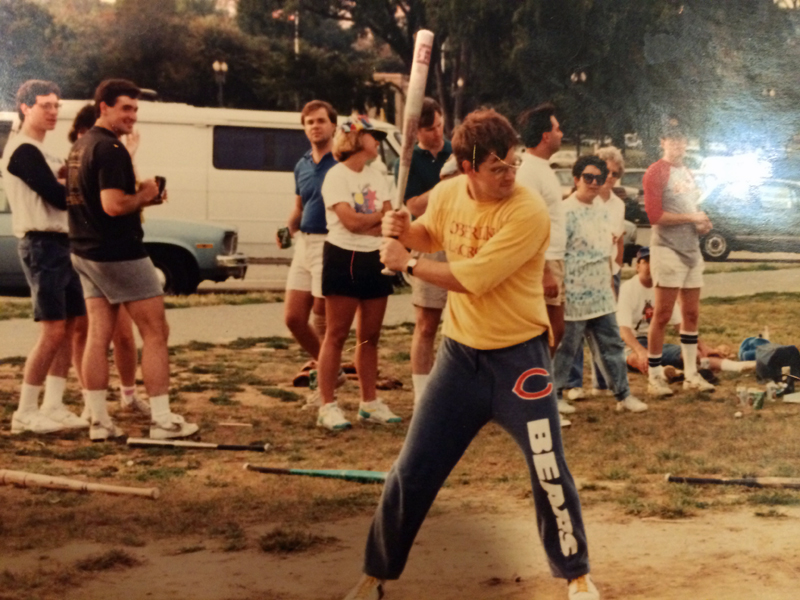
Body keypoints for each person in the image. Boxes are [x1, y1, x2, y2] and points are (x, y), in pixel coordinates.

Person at [343, 109, 599, 600]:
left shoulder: (527, 211)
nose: (510, 175)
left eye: (514, 163)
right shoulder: (446, 194)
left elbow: (475, 278)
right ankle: (376, 573)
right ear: (468, 169)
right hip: (459, 361)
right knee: (412, 470)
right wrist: (400, 228)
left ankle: (576, 574)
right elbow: (430, 234)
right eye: (497, 168)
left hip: (520, 361)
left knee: (548, 469)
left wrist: (408, 262)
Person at [66, 78, 198, 440]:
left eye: (136, 109)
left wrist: (141, 198)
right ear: (103, 106)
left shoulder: (80, 146)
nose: (132, 116)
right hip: (119, 253)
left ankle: (99, 421)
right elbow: (113, 205)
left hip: (84, 251)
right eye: (126, 108)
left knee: (98, 335)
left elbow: (97, 200)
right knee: (156, 332)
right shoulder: (110, 148)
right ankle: (162, 420)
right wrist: (146, 194)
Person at [0, 80, 88, 434]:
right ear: (24, 107)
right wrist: (82, 184)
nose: (54, 112)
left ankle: (52, 403)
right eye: (45, 105)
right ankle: (25, 410)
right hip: (42, 244)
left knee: (71, 327)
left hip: (64, 244)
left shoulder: (46, 152)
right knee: (52, 330)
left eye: (57, 105)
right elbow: (56, 196)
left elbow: (64, 186)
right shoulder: (22, 150)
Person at [315, 115, 401, 431]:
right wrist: (378, 217)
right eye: (372, 135)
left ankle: (369, 402)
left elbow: (390, 221)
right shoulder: (335, 176)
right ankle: (327, 405)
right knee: (337, 334)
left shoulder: (378, 175)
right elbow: (350, 222)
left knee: (370, 336)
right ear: (355, 139)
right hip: (343, 256)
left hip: (374, 256)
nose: (377, 141)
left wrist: (377, 221)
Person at [69, 103, 150, 418]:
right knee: (89, 332)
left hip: (92, 252)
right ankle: (93, 404)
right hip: (102, 253)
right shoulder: (96, 152)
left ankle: (120, 400)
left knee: (119, 335)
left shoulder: (106, 154)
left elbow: (119, 200)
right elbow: (112, 206)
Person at [553, 156, 647, 415]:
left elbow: (608, 251)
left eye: (598, 178)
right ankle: (555, 395)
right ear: (576, 179)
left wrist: (610, 285)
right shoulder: (564, 211)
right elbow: (556, 255)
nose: (593, 183)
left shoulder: (604, 210)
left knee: (612, 344)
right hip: (573, 293)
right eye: (588, 178)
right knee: (567, 348)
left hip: (601, 292)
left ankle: (623, 395)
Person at [643, 123, 715, 396]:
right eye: (672, 139)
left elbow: (690, 209)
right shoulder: (655, 171)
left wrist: (701, 223)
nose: (677, 144)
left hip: (691, 249)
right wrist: (691, 218)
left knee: (691, 313)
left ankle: (691, 375)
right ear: (662, 141)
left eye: (681, 139)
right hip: (666, 249)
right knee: (662, 314)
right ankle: (654, 376)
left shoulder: (687, 172)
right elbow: (654, 216)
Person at [619, 247, 755, 379]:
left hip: (653, 342)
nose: (650, 265)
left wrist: (703, 346)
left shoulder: (663, 290)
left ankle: (737, 366)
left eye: (654, 262)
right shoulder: (628, 289)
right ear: (637, 266)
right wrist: (640, 351)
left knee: (692, 354)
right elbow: (623, 331)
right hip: (629, 344)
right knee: (635, 358)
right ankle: (664, 374)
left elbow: (681, 325)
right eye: (646, 261)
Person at [398, 98, 453, 405]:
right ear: (416, 131)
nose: (437, 134)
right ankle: (423, 396)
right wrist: (444, 186)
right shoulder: (407, 161)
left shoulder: (457, 152)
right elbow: (413, 205)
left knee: (463, 322)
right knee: (427, 322)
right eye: (430, 129)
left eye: (440, 126)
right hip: (427, 240)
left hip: (459, 238)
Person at [564, 146, 628, 398]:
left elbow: (615, 243)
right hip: (576, 283)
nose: (603, 180)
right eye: (589, 177)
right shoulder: (571, 206)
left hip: (605, 278)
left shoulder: (612, 206)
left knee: (609, 337)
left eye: (613, 174)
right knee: (572, 339)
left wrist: (615, 272)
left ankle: (613, 388)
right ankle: (568, 386)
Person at [281, 100, 337, 377]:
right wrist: (287, 229)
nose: (315, 126)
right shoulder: (301, 164)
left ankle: (326, 388)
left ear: (333, 125)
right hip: (304, 244)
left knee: (323, 317)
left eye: (321, 121)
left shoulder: (341, 162)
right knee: (293, 318)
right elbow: (300, 207)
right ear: (304, 128)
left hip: (330, 245)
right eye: (310, 122)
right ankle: (332, 370)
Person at [516, 102, 567, 353]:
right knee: (548, 331)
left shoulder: (542, 169)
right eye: (557, 129)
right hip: (544, 262)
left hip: (555, 257)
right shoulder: (528, 173)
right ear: (545, 136)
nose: (561, 133)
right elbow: (529, 225)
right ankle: (534, 386)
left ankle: (540, 385)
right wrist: (545, 270)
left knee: (555, 330)